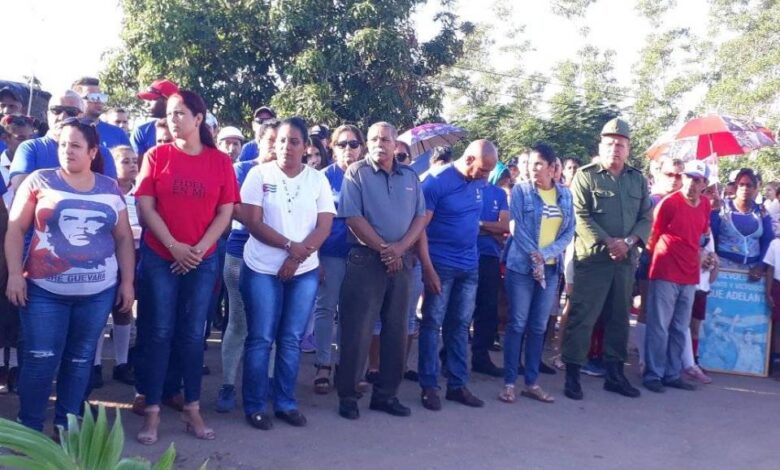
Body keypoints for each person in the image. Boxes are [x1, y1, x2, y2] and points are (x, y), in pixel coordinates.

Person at [6, 118, 134, 433]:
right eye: (63, 144)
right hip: (43, 291)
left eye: (75, 145)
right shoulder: (39, 181)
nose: (67, 151)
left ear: (92, 151)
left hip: (97, 293)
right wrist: (13, 274)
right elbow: (14, 229)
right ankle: (30, 428)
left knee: (79, 361)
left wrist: (128, 282)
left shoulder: (109, 187)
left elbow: (123, 238)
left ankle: (67, 427)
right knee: (39, 359)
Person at [134, 90, 239, 445]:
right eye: (169, 114)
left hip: (202, 259)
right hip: (160, 257)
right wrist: (174, 247)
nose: (173, 119)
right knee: (159, 332)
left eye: (180, 113)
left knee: (194, 336)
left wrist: (199, 248)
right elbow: (146, 208)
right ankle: (151, 411)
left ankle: (192, 407)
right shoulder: (156, 155)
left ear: (199, 119)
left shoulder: (219, 162)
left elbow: (226, 211)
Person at [239, 117, 335, 430]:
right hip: (262, 268)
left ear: (306, 146)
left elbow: (324, 226)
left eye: (294, 141)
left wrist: (297, 256)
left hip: (304, 269)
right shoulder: (258, 174)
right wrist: (288, 246)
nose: (286, 147)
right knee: (261, 338)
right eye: (281, 141)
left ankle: (285, 402)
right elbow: (253, 221)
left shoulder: (316, 179)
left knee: (291, 339)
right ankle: (254, 405)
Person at [334, 122, 427, 420]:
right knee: (357, 331)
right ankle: (348, 396)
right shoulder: (357, 173)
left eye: (385, 139)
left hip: (402, 262)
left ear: (395, 143)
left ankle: (386, 395)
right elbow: (352, 217)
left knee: (397, 331)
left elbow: (420, 218)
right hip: (365, 259)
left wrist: (399, 250)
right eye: (373, 139)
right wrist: (386, 250)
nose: (379, 144)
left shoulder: (410, 176)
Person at [561, 118, 652, 401]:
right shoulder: (586, 176)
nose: (615, 148)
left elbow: (646, 217)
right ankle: (573, 374)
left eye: (621, 144)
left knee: (619, 319)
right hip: (594, 260)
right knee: (583, 317)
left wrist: (628, 242)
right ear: (601, 146)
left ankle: (615, 374)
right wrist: (608, 241)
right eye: (610, 143)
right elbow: (580, 214)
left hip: (625, 261)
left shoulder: (637, 179)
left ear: (628, 149)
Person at [417, 139, 498, 411]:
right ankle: (429, 385)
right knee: (432, 324)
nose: (487, 176)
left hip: (469, 265)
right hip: (440, 265)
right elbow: (419, 229)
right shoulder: (436, 182)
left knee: (460, 326)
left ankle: (457, 384)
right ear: (469, 159)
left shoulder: (479, 181)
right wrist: (428, 270)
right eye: (484, 169)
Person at [499, 143, 574, 404]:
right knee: (517, 323)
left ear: (553, 168)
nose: (533, 170)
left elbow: (568, 231)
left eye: (539, 164)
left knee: (539, 326)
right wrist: (535, 255)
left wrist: (547, 254)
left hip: (550, 270)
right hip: (521, 267)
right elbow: (516, 226)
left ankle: (531, 382)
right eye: (530, 165)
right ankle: (509, 382)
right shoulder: (520, 191)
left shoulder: (565, 196)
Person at [215, 119, 279, 413]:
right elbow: (234, 208)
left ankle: (264, 382)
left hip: (277, 256)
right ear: (260, 141)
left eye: (284, 141)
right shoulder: (241, 169)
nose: (278, 147)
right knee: (239, 323)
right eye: (272, 141)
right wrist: (263, 220)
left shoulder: (293, 175)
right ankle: (228, 384)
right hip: (241, 254)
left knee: (270, 325)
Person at [643, 160, 712, 393]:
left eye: (698, 179)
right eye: (689, 177)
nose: (692, 183)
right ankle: (653, 374)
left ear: (705, 184)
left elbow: (702, 235)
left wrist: (705, 254)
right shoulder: (668, 203)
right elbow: (652, 237)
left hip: (690, 274)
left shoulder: (705, 205)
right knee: (659, 326)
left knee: (680, 326)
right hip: (665, 270)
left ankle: (672, 374)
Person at [311, 124, 364, 394]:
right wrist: (315, 257)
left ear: (362, 148)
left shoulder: (368, 176)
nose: (348, 149)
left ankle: (348, 366)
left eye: (354, 144)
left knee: (353, 314)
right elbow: (310, 222)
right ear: (331, 147)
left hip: (361, 257)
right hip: (329, 253)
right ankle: (323, 364)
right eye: (342, 144)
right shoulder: (320, 177)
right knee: (326, 309)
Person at [470, 169, 510, 377]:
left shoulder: (499, 193)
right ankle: (449, 357)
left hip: (490, 258)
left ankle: (481, 357)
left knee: (487, 310)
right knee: (462, 311)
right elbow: (465, 222)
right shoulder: (467, 188)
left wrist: (479, 225)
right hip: (467, 255)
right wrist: (490, 230)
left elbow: (504, 226)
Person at [711, 168, 773, 281]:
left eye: (749, 185)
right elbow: (711, 236)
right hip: (722, 270)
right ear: (736, 187)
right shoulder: (722, 208)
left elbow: (768, 241)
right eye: (741, 185)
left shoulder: (762, 212)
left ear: (755, 188)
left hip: (752, 272)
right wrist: (714, 213)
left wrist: (760, 266)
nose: (745, 188)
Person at [72, 77, 130, 149]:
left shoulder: (118, 133)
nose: (99, 101)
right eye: (93, 97)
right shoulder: (67, 131)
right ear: (77, 100)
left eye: (101, 97)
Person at [131, 79, 179, 160]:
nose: (146, 104)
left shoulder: (190, 129)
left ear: (168, 101)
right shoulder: (141, 132)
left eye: (152, 99)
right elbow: (138, 169)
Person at [0, 114, 35, 206]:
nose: (28, 143)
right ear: (5, 138)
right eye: (21, 138)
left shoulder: (37, 168)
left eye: (31, 138)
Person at [763, 237, 780, 372]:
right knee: (778, 325)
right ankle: (776, 362)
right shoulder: (775, 243)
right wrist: (768, 292)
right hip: (778, 285)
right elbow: (770, 269)